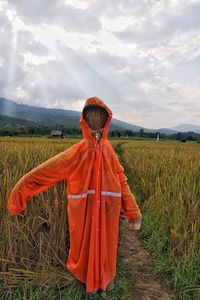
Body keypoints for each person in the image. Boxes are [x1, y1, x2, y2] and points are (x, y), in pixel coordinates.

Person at [7, 96, 142, 297]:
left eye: (100, 117)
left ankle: (105, 280)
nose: (96, 121)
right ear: (84, 121)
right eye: (91, 117)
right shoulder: (76, 153)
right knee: (83, 246)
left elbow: (121, 180)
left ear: (107, 121)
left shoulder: (109, 151)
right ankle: (87, 281)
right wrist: (19, 192)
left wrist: (133, 212)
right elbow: (45, 172)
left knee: (107, 246)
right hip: (83, 212)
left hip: (108, 211)